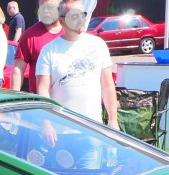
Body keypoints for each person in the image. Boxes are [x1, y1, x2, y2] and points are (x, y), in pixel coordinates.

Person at [35, 0, 118, 129]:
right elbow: (43, 91)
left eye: (83, 14)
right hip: (61, 130)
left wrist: (113, 120)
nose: (80, 19)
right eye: (74, 15)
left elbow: (107, 86)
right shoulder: (49, 51)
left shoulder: (98, 45)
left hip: (93, 130)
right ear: (62, 21)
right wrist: (47, 124)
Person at [11, 0, 63, 91]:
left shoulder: (70, 33)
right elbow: (18, 69)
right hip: (40, 100)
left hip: (66, 98)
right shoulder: (29, 35)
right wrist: (13, 98)